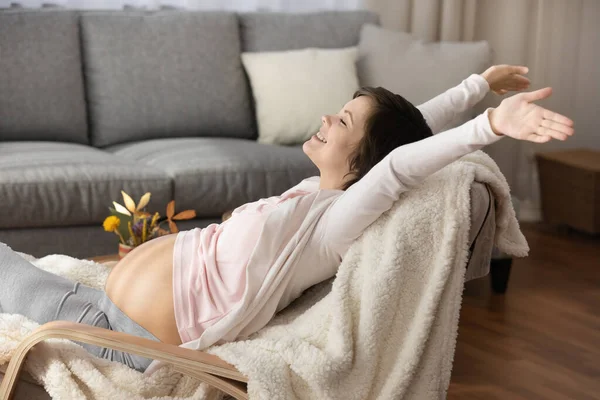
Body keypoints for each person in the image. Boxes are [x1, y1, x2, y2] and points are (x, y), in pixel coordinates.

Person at [0, 64, 574, 373]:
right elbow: (402, 129)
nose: (328, 116)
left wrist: (491, 126)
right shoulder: (315, 189)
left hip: (125, 342)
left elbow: (397, 162)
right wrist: (477, 87)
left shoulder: (334, 224)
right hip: (107, 310)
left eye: (343, 121)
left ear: (360, 161)